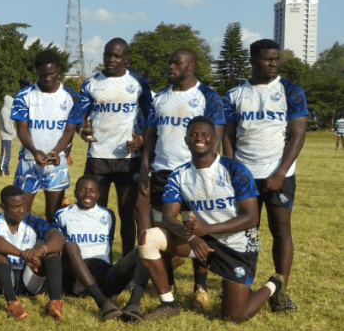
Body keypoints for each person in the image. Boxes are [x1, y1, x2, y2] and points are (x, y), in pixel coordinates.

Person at [122, 117, 280, 322]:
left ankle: (273, 284)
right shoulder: (179, 175)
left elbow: (251, 218)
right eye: (194, 134)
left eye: (205, 134)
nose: (199, 138)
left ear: (215, 139)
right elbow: (169, 218)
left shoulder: (235, 170)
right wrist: (192, 238)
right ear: (186, 140)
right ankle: (168, 304)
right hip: (202, 240)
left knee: (234, 317)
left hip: (237, 244)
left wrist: (208, 229)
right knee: (148, 238)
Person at [222, 39, 308, 312]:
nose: (273, 64)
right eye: (267, 59)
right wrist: (233, 169)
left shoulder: (291, 91)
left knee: (280, 230)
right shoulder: (235, 93)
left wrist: (280, 172)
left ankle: (280, 290)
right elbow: (227, 135)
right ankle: (242, 285)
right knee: (245, 232)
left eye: (276, 59)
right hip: (246, 175)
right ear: (253, 60)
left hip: (278, 175)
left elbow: (297, 135)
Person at [137, 49, 225, 310]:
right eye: (170, 62)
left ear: (192, 66)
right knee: (162, 230)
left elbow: (215, 137)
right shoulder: (160, 98)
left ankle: (200, 287)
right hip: (162, 173)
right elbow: (150, 135)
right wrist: (145, 167)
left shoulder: (207, 96)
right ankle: (169, 283)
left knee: (197, 228)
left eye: (177, 62)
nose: (171, 67)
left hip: (193, 174)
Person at [62, 38, 152, 256]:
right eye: (107, 55)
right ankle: (98, 257)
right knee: (94, 212)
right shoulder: (91, 83)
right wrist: (82, 129)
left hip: (128, 159)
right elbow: (78, 117)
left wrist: (141, 139)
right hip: (98, 158)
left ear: (126, 58)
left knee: (127, 213)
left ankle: (127, 261)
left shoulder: (139, 83)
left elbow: (152, 118)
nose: (111, 60)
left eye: (117, 56)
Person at [55, 175, 141, 320]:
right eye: (83, 190)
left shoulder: (107, 214)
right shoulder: (62, 214)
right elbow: (58, 250)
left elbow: (108, 246)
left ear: (98, 194)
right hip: (77, 274)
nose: (87, 194)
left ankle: (133, 305)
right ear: (75, 193)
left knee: (143, 250)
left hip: (103, 272)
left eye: (92, 191)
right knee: (70, 247)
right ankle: (102, 303)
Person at [11, 50, 82, 221]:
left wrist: (56, 151)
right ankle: (24, 246)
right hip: (29, 161)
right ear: (37, 72)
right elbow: (22, 129)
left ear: (59, 70)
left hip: (56, 162)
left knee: (54, 214)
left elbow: (69, 131)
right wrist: (35, 151)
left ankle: (51, 248)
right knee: (21, 213)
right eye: (44, 75)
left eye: (52, 74)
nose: (48, 78)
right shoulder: (23, 96)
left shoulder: (72, 97)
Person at [0, 185, 66, 321]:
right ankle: (12, 303)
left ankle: (55, 301)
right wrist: (22, 254)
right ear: (3, 206)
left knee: (51, 252)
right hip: (2, 278)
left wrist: (40, 250)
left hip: (27, 278)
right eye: (15, 207)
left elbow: (59, 239)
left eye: (23, 205)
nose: (21, 211)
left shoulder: (33, 221)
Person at [0, 95, 16, 177]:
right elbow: (6, 125)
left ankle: (6, 170)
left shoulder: (9, 111)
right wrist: (12, 132)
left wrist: (13, 133)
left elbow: (11, 124)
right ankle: (2, 171)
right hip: (5, 136)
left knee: (8, 154)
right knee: (5, 153)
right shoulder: (4, 110)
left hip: (9, 137)